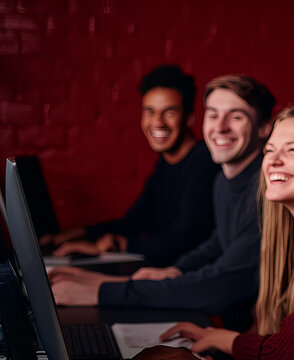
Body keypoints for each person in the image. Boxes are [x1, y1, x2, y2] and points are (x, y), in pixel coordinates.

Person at [151, 104, 294, 359]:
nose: (273, 160)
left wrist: (226, 341)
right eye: (270, 149)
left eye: (293, 149)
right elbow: (271, 336)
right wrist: (215, 342)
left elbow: (289, 354)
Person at [49, 75, 275, 325]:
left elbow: (222, 284)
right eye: (212, 115)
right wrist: (175, 270)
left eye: (236, 117)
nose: (220, 127)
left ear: (264, 127)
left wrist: (101, 291)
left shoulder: (268, 189)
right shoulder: (224, 180)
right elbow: (219, 242)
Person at [40, 65, 219, 266]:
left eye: (169, 112)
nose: (157, 122)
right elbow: (135, 221)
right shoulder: (167, 162)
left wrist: (118, 245)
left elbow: (184, 240)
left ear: (189, 118)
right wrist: (78, 233)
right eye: (149, 112)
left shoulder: (205, 162)